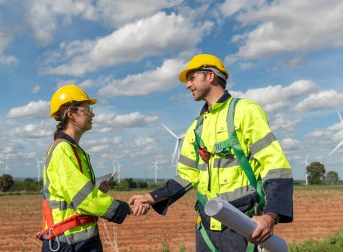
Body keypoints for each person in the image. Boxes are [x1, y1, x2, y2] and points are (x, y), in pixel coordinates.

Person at [128, 54, 293, 251]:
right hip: (206, 227)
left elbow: (274, 164)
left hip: (241, 222)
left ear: (210, 76)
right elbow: (188, 175)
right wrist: (149, 197)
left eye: (192, 78)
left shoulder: (244, 111)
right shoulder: (196, 127)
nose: (187, 85)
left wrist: (270, 215)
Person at [37, 84, 131, 252]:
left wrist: (97, 191)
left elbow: (74, 194)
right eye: (87, 109)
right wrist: (121, 208)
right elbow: (82, 197)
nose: (92, 114)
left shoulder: (75, 150)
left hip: (78, 240)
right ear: (71, 113)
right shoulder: (62, 150)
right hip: (69, 243)